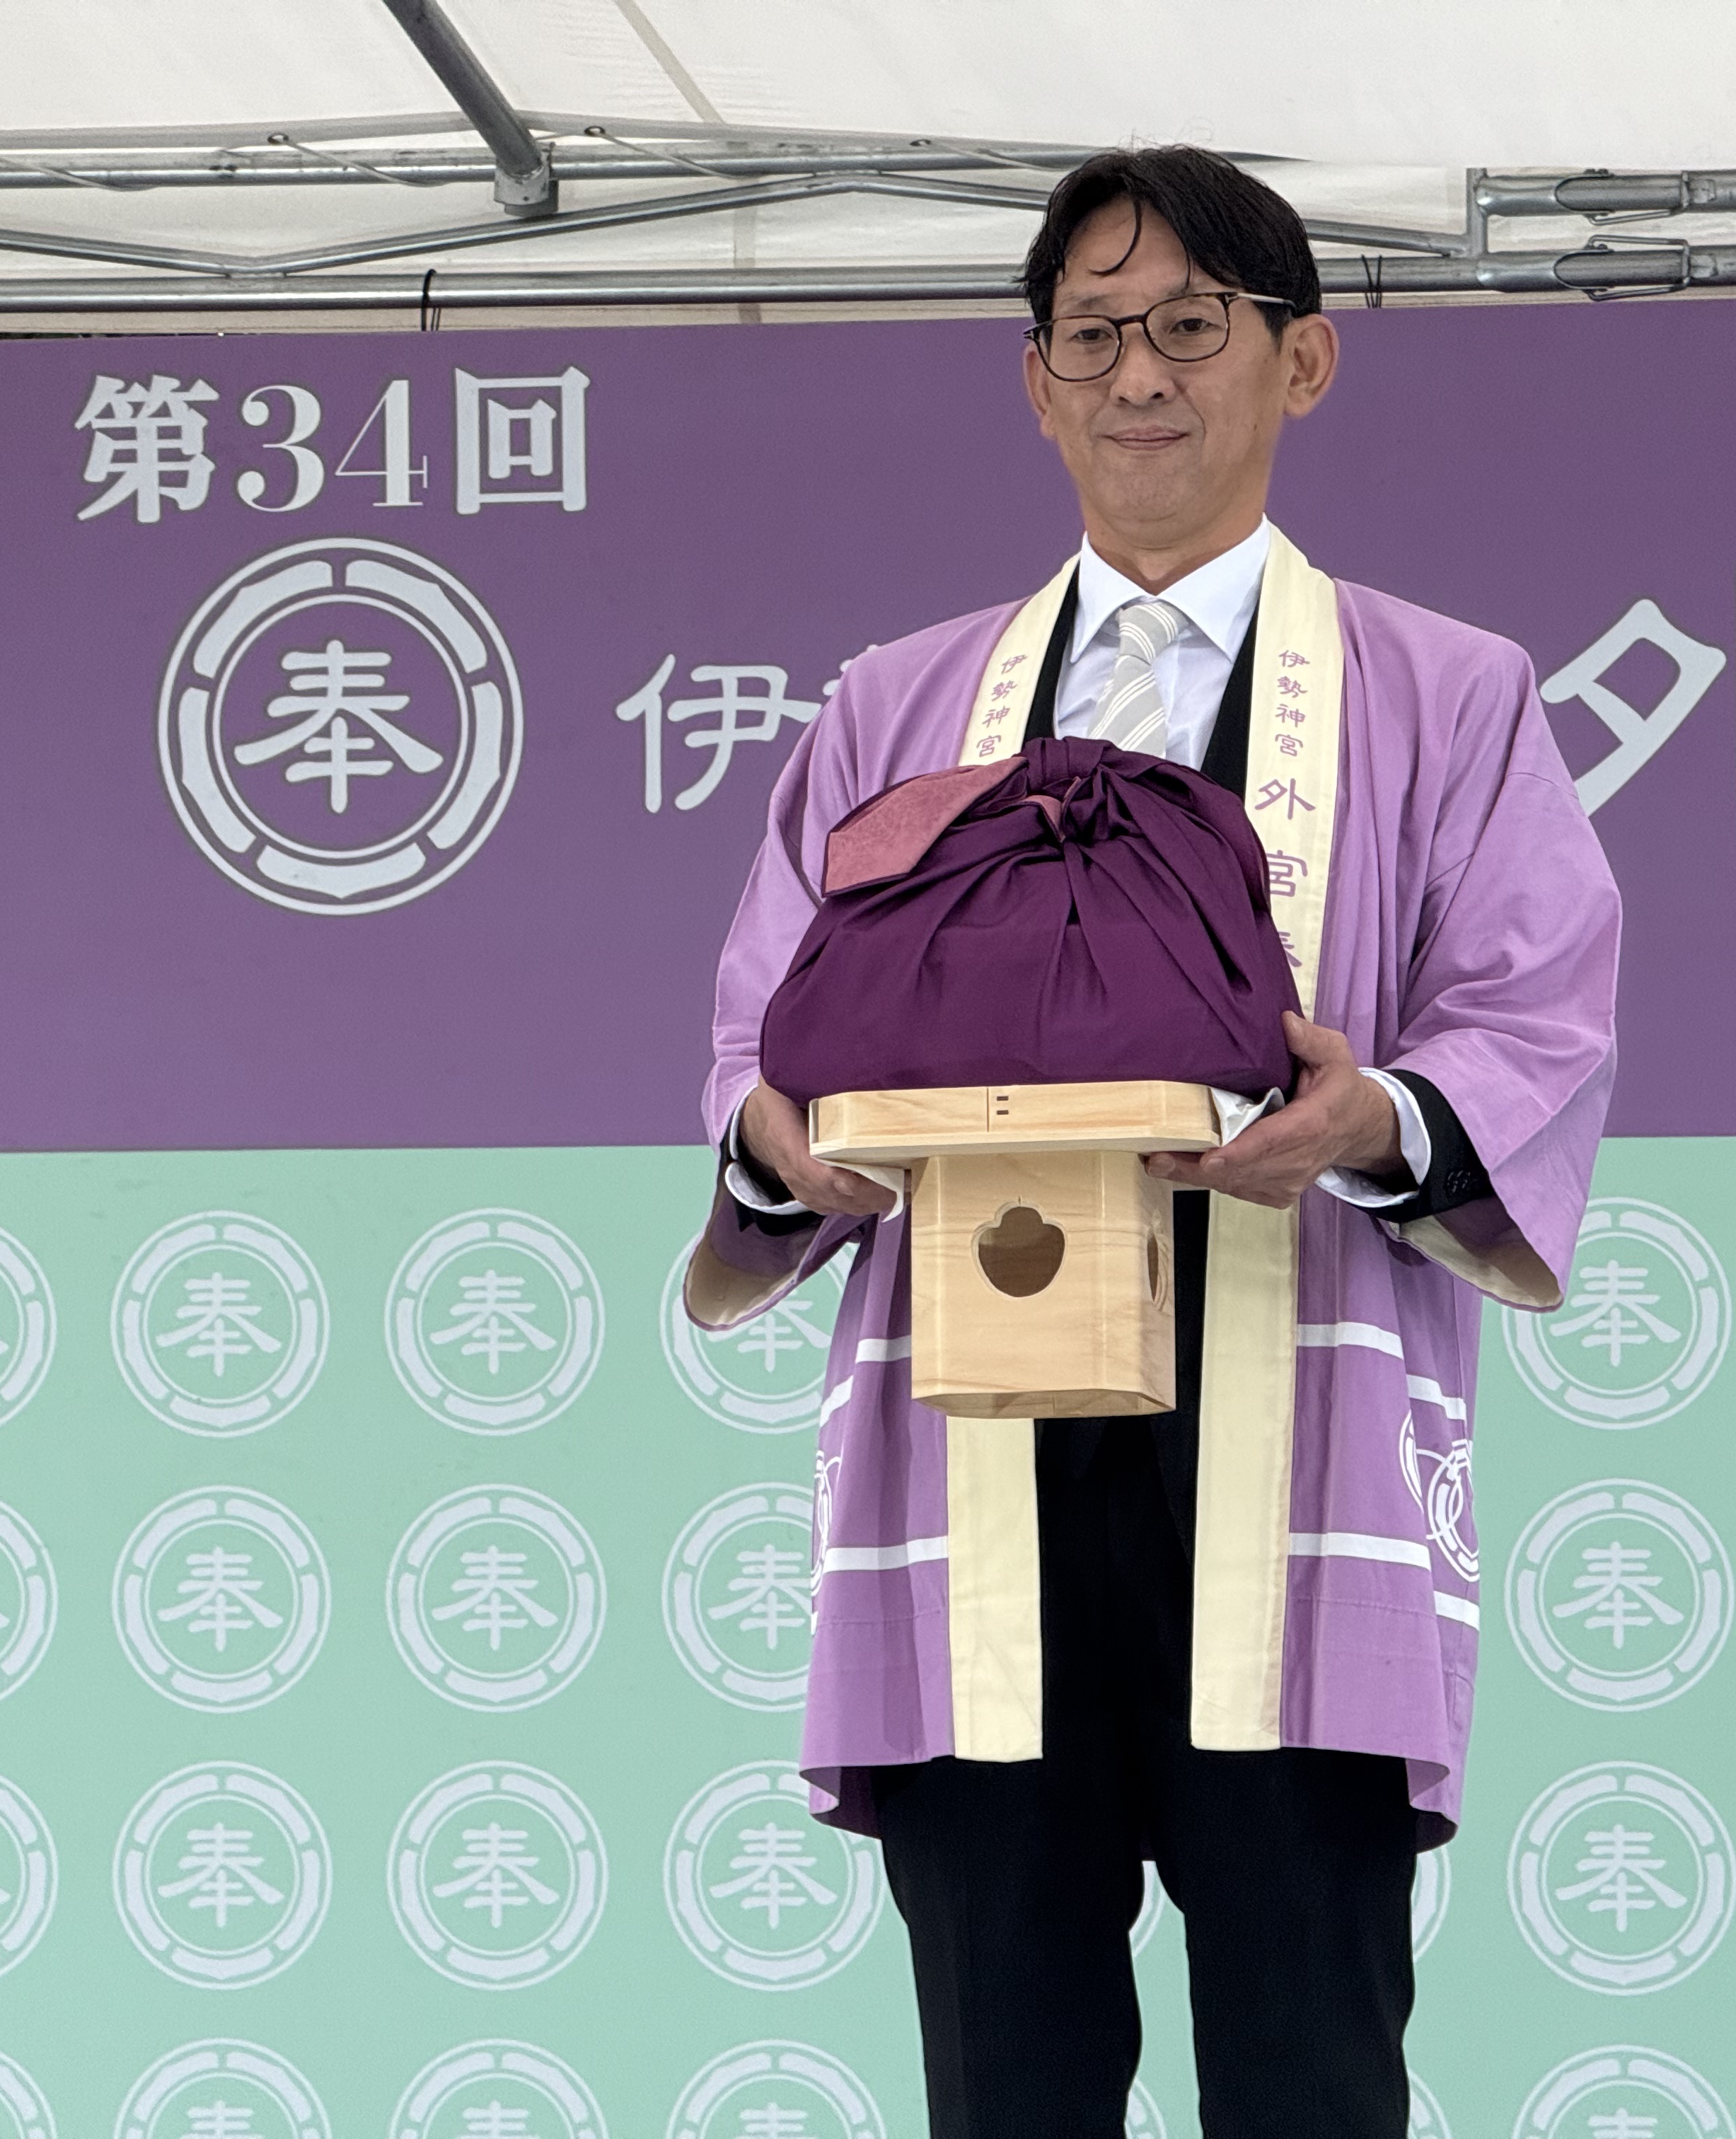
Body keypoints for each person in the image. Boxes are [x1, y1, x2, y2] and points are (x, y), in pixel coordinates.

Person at [686, 146, 1621, 2139]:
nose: (1140, 376)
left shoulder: (1451, 697)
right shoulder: (894, 708)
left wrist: (1378, 1115)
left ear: (1304, 361)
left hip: (1298, 1437)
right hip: (979, 1439)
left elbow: (1533, 1011)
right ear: (1034, 382)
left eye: (1193, 326)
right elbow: (767, 1037)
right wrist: (778, 1144)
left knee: (1311, 2069)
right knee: (1004, 2074)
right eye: (1093, 334)